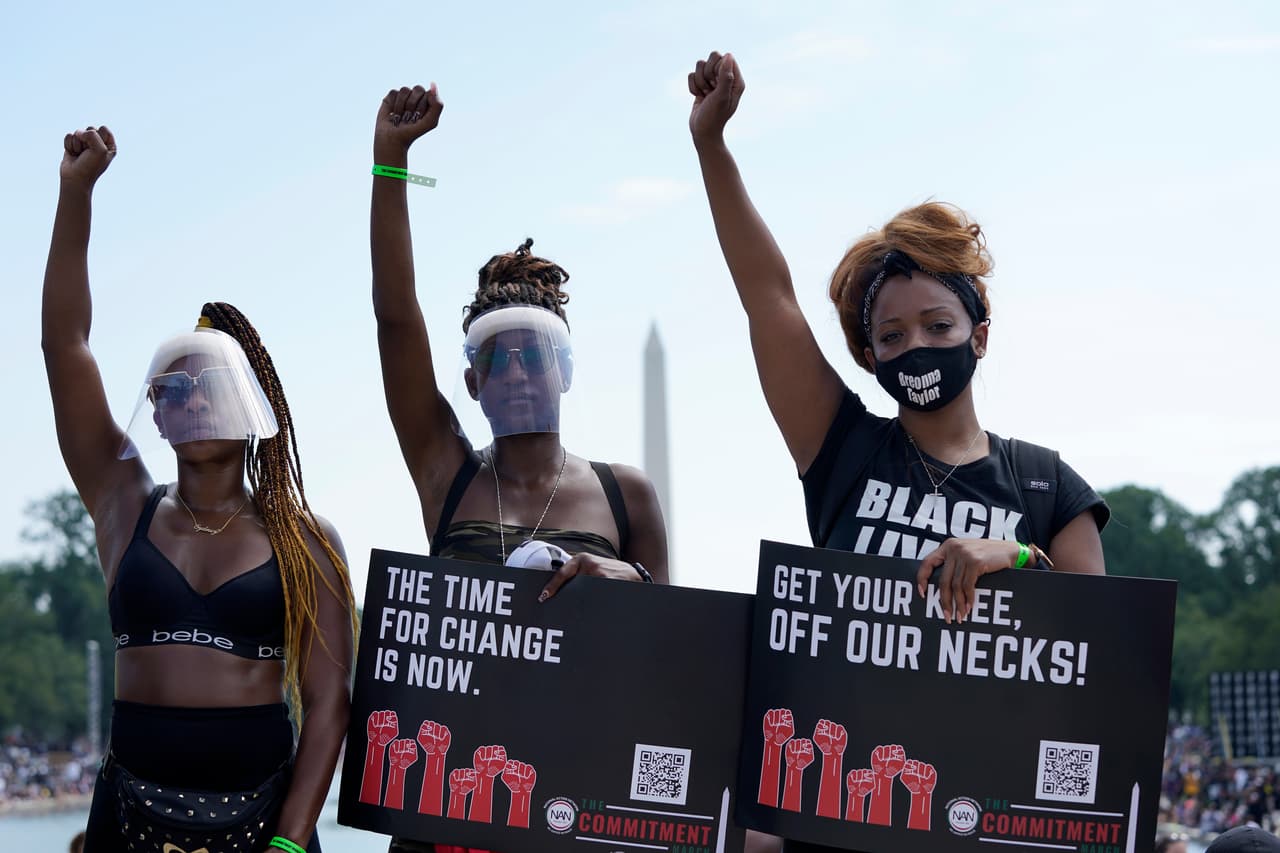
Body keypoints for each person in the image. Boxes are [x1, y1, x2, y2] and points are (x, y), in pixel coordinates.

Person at [687, 51, 1108, 629]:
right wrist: (711, 145)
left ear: (978, 337)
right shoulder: (841, 449)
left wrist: (1015, 555)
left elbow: (1098, 653)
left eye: (938, 326)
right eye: (891, 334)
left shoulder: (1048, 485)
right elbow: (769, 297)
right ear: (869, 356)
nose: (917, 346)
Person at [369, 84, 669, 853]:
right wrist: (391, 163)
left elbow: (675, 652)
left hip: (576, 797)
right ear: (472, 382)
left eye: (537, 356)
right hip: (449, 797)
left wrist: (624, 582)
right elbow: (396, 317)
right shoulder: (449, 473)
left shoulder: (624, 493)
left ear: (566, 370)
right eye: (497, 361)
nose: (519, 375)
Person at [43, 126, 356, 853]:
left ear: (252, 402)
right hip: (127, 822)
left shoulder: (303, 537)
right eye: (174, 388)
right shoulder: (125, 502)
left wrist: (288, 841)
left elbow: (329, 703)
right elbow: (66, 346)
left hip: (261, 828)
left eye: (212, 383)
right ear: (156, 410)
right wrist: (75, 193)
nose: (195, 400)